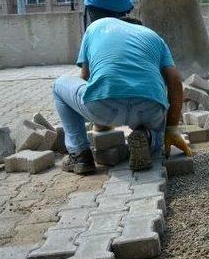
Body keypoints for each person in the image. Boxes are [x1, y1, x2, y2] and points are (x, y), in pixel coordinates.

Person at [53, 16, 192, 174]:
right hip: (149, 106)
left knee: (59, 85)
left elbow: (85, 79)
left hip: (103, 102)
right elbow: (174, 79)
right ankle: (147, 137)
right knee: (159, 132)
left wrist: (99, 119)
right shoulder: (154, 36)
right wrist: (172, 128)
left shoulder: (96, 27)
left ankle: (79, 155)